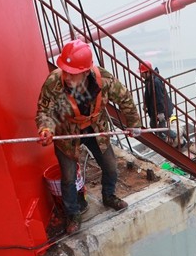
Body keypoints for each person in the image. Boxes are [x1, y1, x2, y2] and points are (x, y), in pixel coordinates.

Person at [37, 40, 141, 233]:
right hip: (67, 134)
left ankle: (108, 196)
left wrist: (134, 124)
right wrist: (46, 129)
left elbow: (125, 98)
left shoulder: (104, 80)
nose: (67, 76)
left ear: (86, 72)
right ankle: (73, 214)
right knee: (68, 177)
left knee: (110, 167)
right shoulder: (54, 82)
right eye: (65, 71)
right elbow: (45, 111)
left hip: (96, 129)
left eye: (72, 73)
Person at [140, 61, 171, 137]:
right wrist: (145, 105)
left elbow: (160, 98)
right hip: (154, 108)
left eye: (142, 73)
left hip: (161, 108)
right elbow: (148, 95)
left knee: (162, 128)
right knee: (153, 125)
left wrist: (161, 113)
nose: (141, 75)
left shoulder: (155, 82)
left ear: (148, 72)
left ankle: (175, 137)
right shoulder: (149, 81)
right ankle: (163, 139)